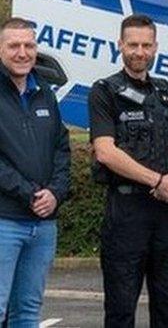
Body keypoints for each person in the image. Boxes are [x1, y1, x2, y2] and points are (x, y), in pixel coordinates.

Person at [88, 14, 168, 328]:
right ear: (120, 46)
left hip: (166, 211)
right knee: (121, 308)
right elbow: (106, 151)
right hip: (127, 212)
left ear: (155, 48)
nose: (139, 51)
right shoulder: (104, 92)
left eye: (146, 45)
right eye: (133, 45)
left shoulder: (167, 92)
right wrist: (157, 181)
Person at [0, 17, 70, 326]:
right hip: (4, 221)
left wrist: (55, 193)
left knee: (28, 312)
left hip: (43, 226)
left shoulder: (45, 93)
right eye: (14, 45)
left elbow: (62, 150)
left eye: (29, 45)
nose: (22, 52)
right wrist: (29, 193)